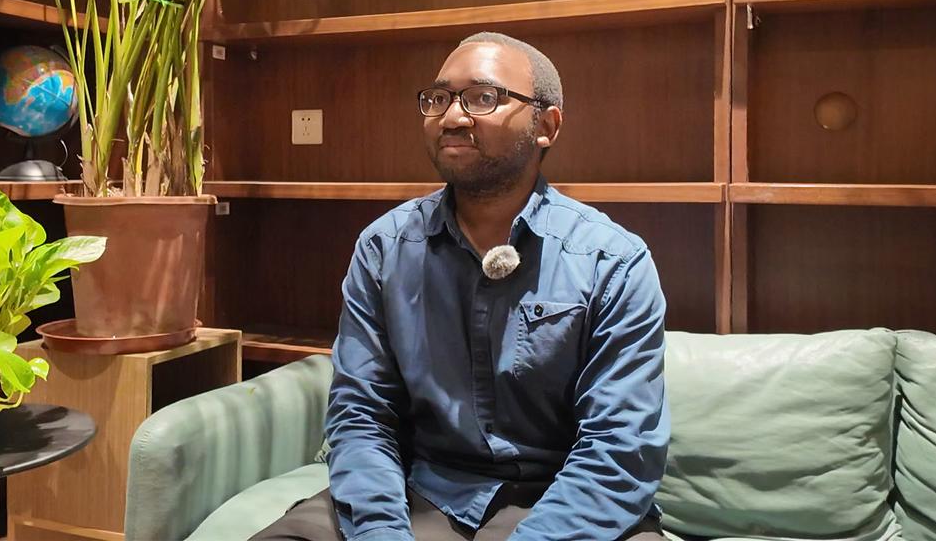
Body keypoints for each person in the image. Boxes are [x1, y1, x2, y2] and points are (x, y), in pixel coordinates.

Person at [250, 32, 670, 541]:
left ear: (546, 125)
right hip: (422, 492)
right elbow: (362, 415)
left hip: (558, 501)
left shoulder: (611, 260)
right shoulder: (385, 248)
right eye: (438, 98)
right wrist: (381, 532)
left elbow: (621, 449)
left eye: (483, 97)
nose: (451, 117)